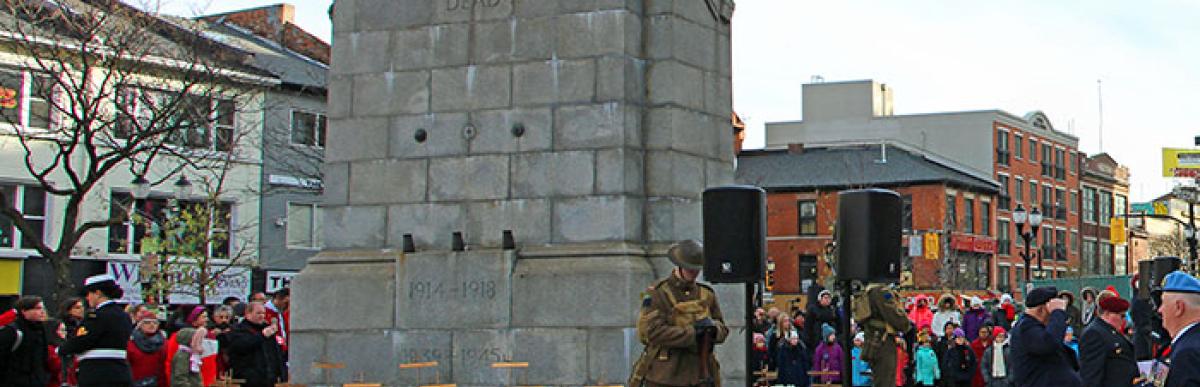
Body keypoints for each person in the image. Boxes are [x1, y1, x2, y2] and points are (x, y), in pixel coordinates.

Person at [627, 240, 728, 387]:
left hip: (700, 374)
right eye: (690, 269)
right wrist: (693, 334)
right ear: (680, 266)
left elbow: (723, 328)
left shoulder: (706, 294)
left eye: (697, 269)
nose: (694, 273)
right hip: (666, 375)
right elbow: (651, 331)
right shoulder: (657, 293)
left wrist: (713, 330)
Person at [60, 274, 134, 387]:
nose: (87, 298)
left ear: (98, 293)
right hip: (121, 371)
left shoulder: (97, 316)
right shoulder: (123, 315)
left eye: (89, 293)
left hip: (98, 373)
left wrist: (61, 349)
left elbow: (82, 341)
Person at [1009, 286, 1081, 387]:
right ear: (1042, 309)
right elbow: (1049, 344)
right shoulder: (1026, 327)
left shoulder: (1035, 327)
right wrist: (1058, 313)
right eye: (1051, 313)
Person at [855, 283, 911, 387]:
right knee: (886, 381)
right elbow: (895, 316)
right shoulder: (881, 291)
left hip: (873, 340)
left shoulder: (869, 290)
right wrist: (905, 323)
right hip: (883, 341)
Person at [1077, 294, 1138, 387]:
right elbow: (1091, 374)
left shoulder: (1109, 331)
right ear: (1107, 313)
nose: (1124, 320)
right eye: (1122, 316)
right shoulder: (1094, 334)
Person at [220, 302, 284, 387]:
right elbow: (241, 346)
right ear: (248, 314)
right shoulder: (238, 330)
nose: (262, 316)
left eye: (263, 313)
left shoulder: (267, 329)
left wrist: (281, 374)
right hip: (247, 379)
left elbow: (275, 354)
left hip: (269, 379)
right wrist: (262, 335)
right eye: (258, 313)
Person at [1156, 271, 1200, 387]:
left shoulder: (1188, 352)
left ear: (1179, 307)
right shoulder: (1183, 343)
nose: (1159, 310)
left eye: (1163, 303)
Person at [0, 296, 50, 387]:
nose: (42, 311)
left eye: (43, 308)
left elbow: (43, 359)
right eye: (37, 308)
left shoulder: (41, 331)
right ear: (24, 311)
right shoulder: (12, 331)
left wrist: (43, 378)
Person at [126, 310, 167, 387]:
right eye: (147, 322)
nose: (152, 325)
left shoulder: (164, 343)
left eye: (155, 323)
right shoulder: (130, 343)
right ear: (140, 325)